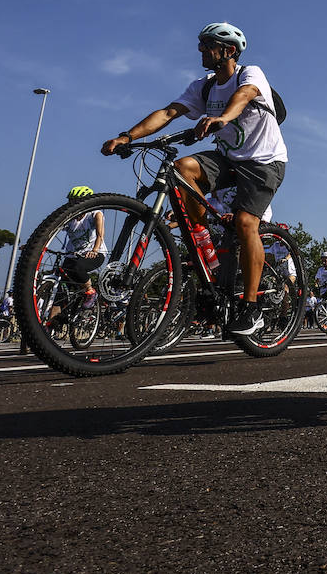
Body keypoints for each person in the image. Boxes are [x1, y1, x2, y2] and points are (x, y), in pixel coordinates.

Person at [102, 21, 288, 337]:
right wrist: (127, 136)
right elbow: (169, 112)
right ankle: (204, 244)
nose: (200, 49)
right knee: (182, 168)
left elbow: (245, 96)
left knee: (245, 223)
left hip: (263, 163)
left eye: (207, 44)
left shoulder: (250, 74)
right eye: (200, 44)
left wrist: (222, 118)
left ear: (228, 51)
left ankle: (253, 308)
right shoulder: (203, 86)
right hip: (228, 160)